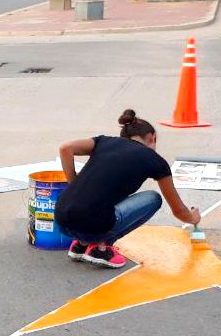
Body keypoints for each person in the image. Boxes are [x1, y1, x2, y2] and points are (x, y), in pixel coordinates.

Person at [55, 109, 202, 269]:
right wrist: (192, 218)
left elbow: (65, 148)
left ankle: (81, 245)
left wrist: (75, 186)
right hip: (92, 225)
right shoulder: (155, 160)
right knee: (153, 198)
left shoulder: (104, 141)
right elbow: (178, 210)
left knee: (110, 198)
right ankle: (101, 247)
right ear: (152, 138)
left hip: (62, 220)